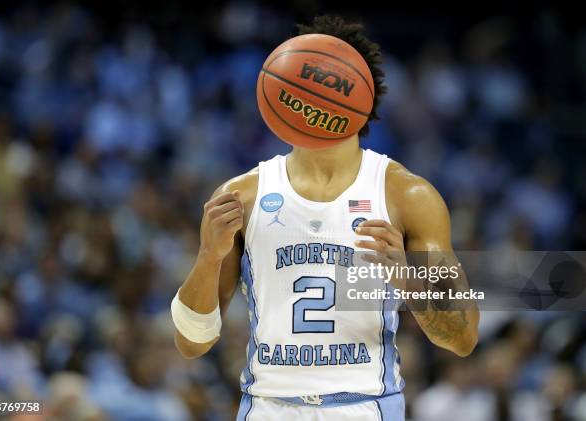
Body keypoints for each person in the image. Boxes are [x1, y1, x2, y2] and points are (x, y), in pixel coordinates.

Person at [171, 15, 479, 421]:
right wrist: (209, 257)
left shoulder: (407, 196)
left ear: (362, 96)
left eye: (329, 81)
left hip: (364, 407)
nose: (316, 93)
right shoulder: (240, 196)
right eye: (308, 80)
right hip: (268, 408)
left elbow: (463, 337)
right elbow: (192, 343)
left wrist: (406, 278)